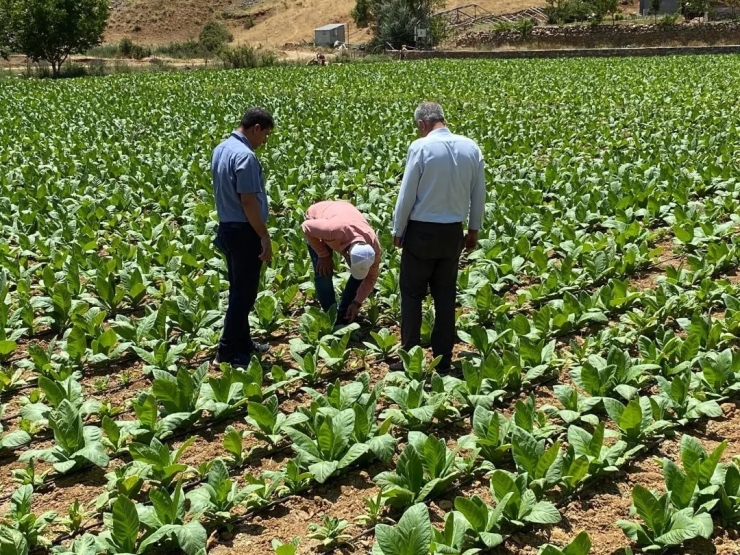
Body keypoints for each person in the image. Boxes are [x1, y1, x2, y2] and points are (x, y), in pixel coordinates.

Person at [392, 102, 486, 371]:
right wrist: (473, 230)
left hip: (421, 232)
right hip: (452, 233)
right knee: (445, 296)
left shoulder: (420, 147)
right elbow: (479, 194)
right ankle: (443, 359)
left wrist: (398, 230)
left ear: (422, 124)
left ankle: (410, 357)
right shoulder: (471, 147)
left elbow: (407, 193)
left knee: (411, 294)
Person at [211, 107, 274, 367]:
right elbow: (248, 201)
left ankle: (244, 342)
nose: (265, 141)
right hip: (245, 230)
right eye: (265, 135)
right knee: (243, 294)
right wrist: (264, 235)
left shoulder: (221, 149)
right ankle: (226, 350)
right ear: (255, 128)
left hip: (227, 227)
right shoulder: (245, 157)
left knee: (239, 288)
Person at [301, 200, 380, 325]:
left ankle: (344, 312)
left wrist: (356, 303)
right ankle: (331, 316)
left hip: (345, 213)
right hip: (319, 218)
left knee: (358, 278)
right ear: (347, 256)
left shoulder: (373, 249)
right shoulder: (332, 230)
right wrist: (323, 255)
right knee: (323, 272)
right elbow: (306, 227)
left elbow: (371, 277)